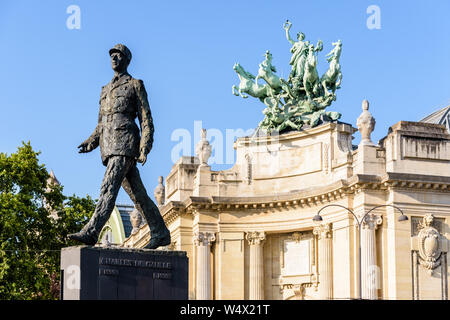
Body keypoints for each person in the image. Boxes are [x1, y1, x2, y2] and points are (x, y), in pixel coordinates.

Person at [68, 44, 171, 249]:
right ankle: (160, 232)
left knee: (108, 188)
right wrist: (91, 141)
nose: (114, 58)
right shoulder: (104, 90)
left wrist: (144, 146)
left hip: (125, 144)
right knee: (138, 195)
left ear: (127, 60)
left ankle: (91, 231)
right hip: (109, 146)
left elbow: (146, 119)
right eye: (112, 55)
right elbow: (102, 122)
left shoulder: (135, 84)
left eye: (119, 55)